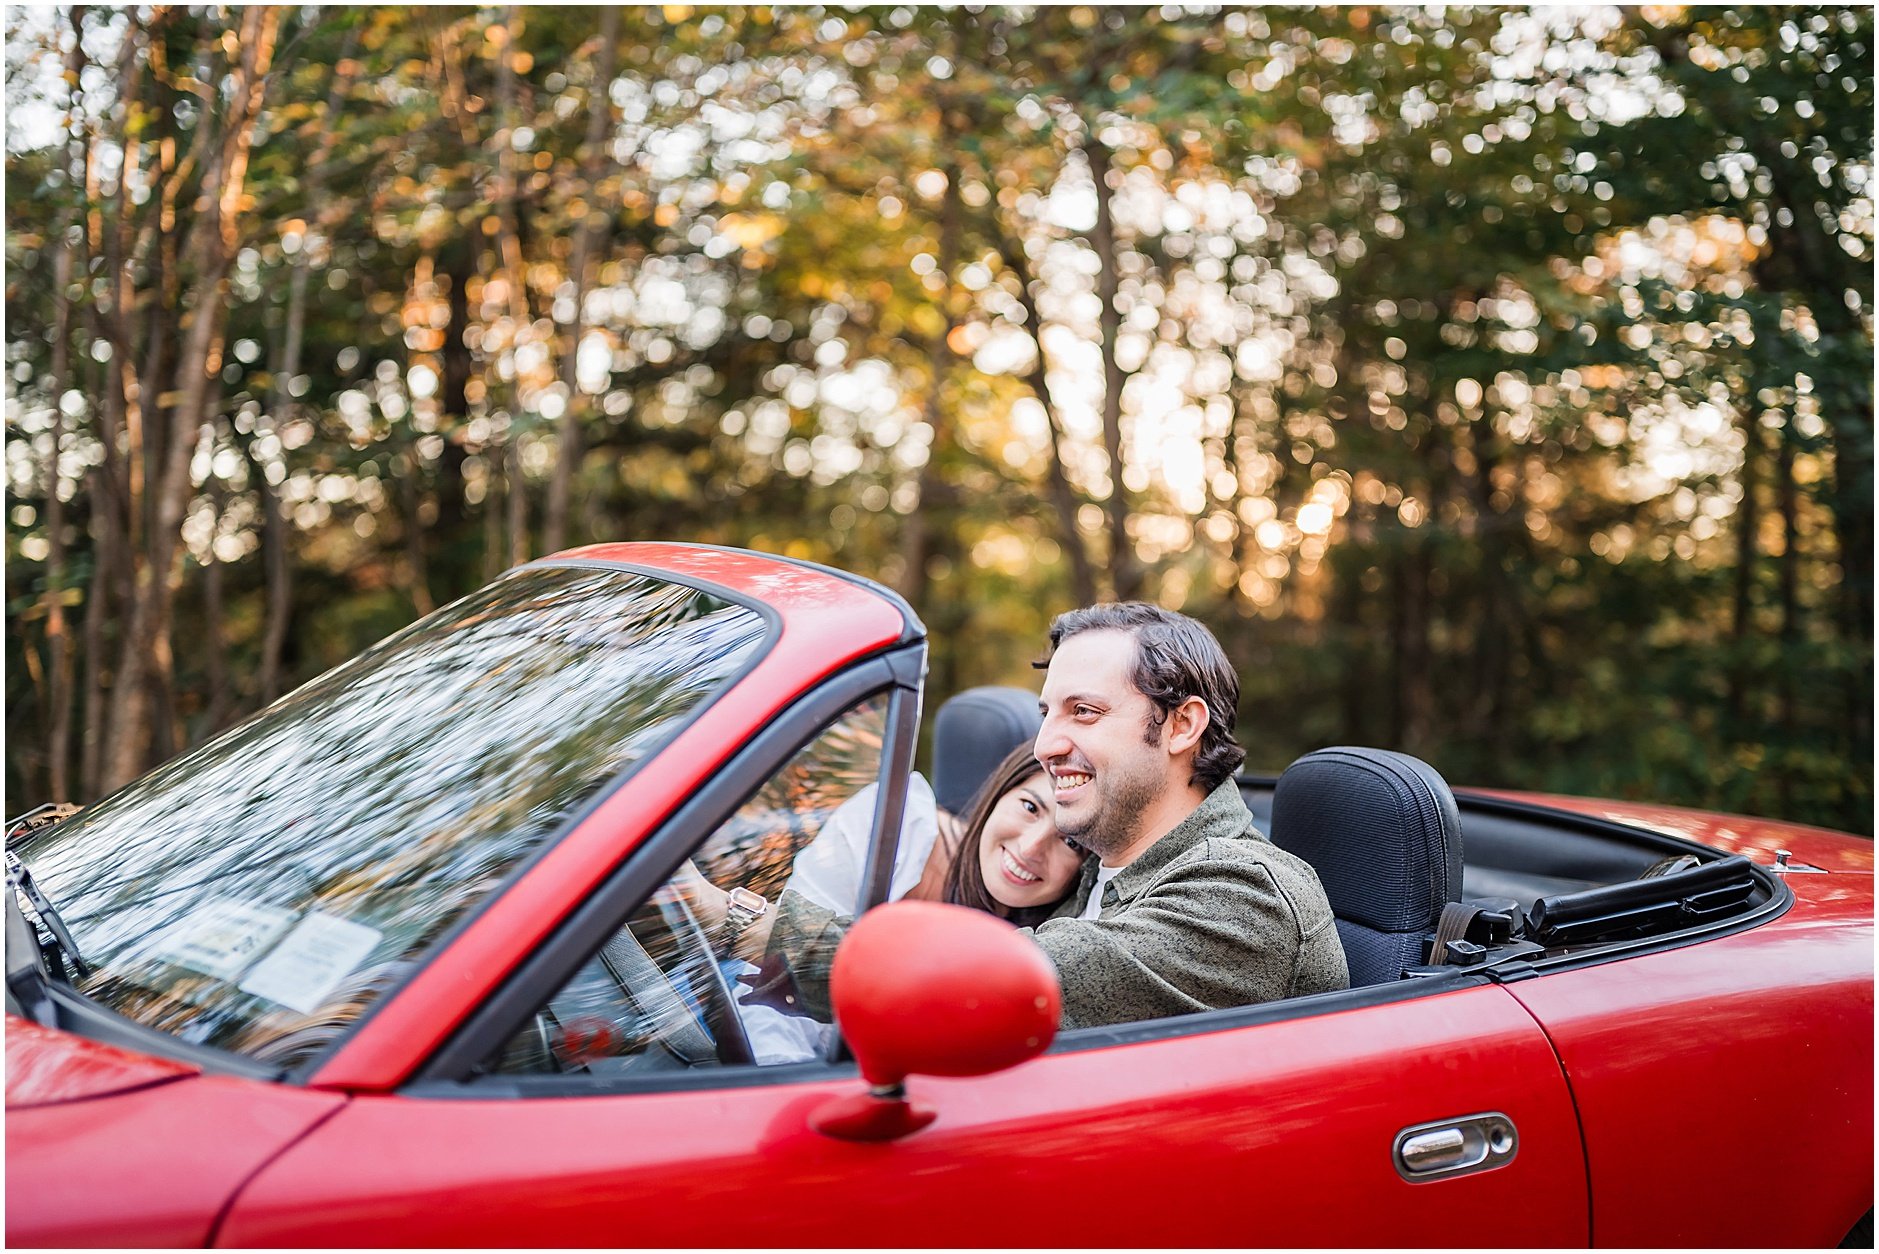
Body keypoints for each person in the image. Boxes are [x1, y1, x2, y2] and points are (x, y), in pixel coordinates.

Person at [1025, 602, 1348, 1029]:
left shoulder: (1246, 895)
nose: (1043, 747)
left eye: (1084, 711)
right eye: (1047, 714)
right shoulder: (1091, 866)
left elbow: (1002, 984)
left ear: (1181, 726)